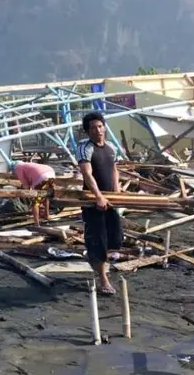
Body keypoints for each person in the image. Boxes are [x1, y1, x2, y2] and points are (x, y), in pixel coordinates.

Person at [77, 111, 121, 295]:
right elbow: (87, 173)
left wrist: (117, 190)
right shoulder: (85, 148)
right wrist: (98, 197)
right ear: (88, 131)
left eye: (100, 126)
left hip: (111, 200)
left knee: (115, 238)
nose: (98, 130)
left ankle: (98, 262)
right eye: (93, 128)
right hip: (93, 202)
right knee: (98, 240)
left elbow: (114, 169)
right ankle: (104, 280)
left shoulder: (111, 147)